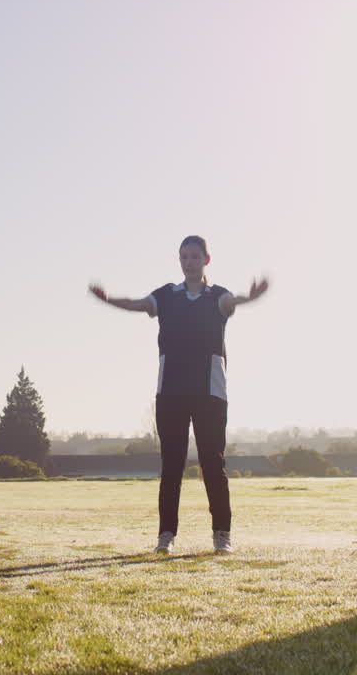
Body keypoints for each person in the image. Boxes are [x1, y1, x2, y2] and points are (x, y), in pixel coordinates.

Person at [90, 235, 269, 554]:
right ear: (179, 260)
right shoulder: (167, 296)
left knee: (212, 463)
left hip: (210, 392)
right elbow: (139, 304)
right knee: (171, 464)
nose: (189, 262)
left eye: (195, 256)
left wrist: (251, 297)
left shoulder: (218, 297)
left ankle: (222, 534)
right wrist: (109, 300)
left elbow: (233, 302)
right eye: (184, 256)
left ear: (206, 260)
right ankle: (166, 535)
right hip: (171, 390)